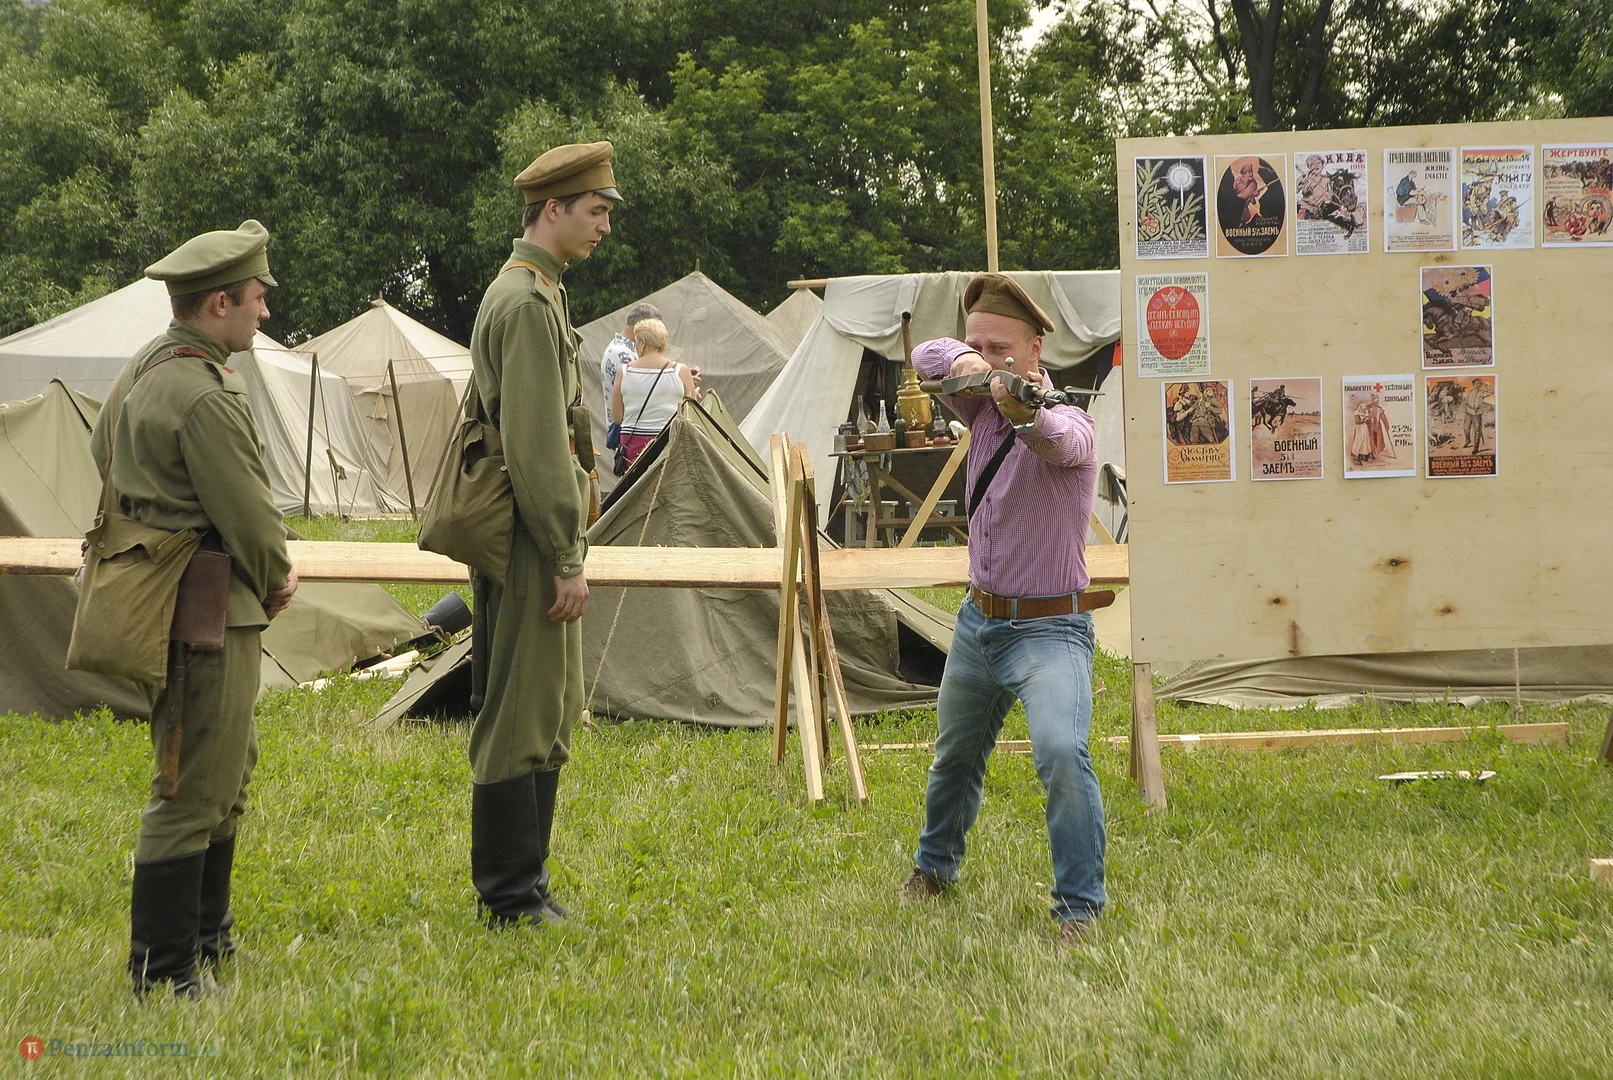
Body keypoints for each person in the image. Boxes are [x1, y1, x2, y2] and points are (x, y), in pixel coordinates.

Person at [88, 220, 298, 997]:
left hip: (191, 602)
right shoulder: (203, 392)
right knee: (189, 786)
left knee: (224, 771)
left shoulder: (149, 364)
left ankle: (207, 941)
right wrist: (275, 576)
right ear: (219, 303)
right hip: (204, 608)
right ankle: (165, 969)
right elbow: (250, 515)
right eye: (257, 299)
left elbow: (101, 450)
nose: (264, 312)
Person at [900, 273, 1105, 949]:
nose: (987, 356)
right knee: (954, 757)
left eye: (1001, 346)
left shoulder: (1071, 418)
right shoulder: (978, 407)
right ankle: (933, 870)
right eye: (978, 342)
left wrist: (1024, 409)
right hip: (977, 621)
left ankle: (1079, 908)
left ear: (1035, 348)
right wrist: (977, 366)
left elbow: (1059, 440)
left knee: (1060, 752)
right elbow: (926, 356)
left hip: (1049, 628)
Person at [466, 140, 620, 927]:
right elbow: (534, 445)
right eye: (593, 211)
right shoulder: (526, 303)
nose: (604, 227)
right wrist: (565, 554)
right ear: (551, 209)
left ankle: (526, 886)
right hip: (530, 534)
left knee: (546, 709)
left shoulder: (539, 291)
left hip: (534, 529)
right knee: (522, 713)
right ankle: (509, 894)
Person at [610, 316, 699, 468]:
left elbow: (617, 418)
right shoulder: (680, 370)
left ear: (643, 342)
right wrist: (694, 395)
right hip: (669, 444)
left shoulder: (624, 371)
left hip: (633, 449)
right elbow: (692, 415)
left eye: (636, 342)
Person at [600, 302, 661, 402]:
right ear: (640, 326)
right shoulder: (622, 356)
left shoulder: (622, 349)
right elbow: (638, 396)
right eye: (654, 328)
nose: (657, 334)